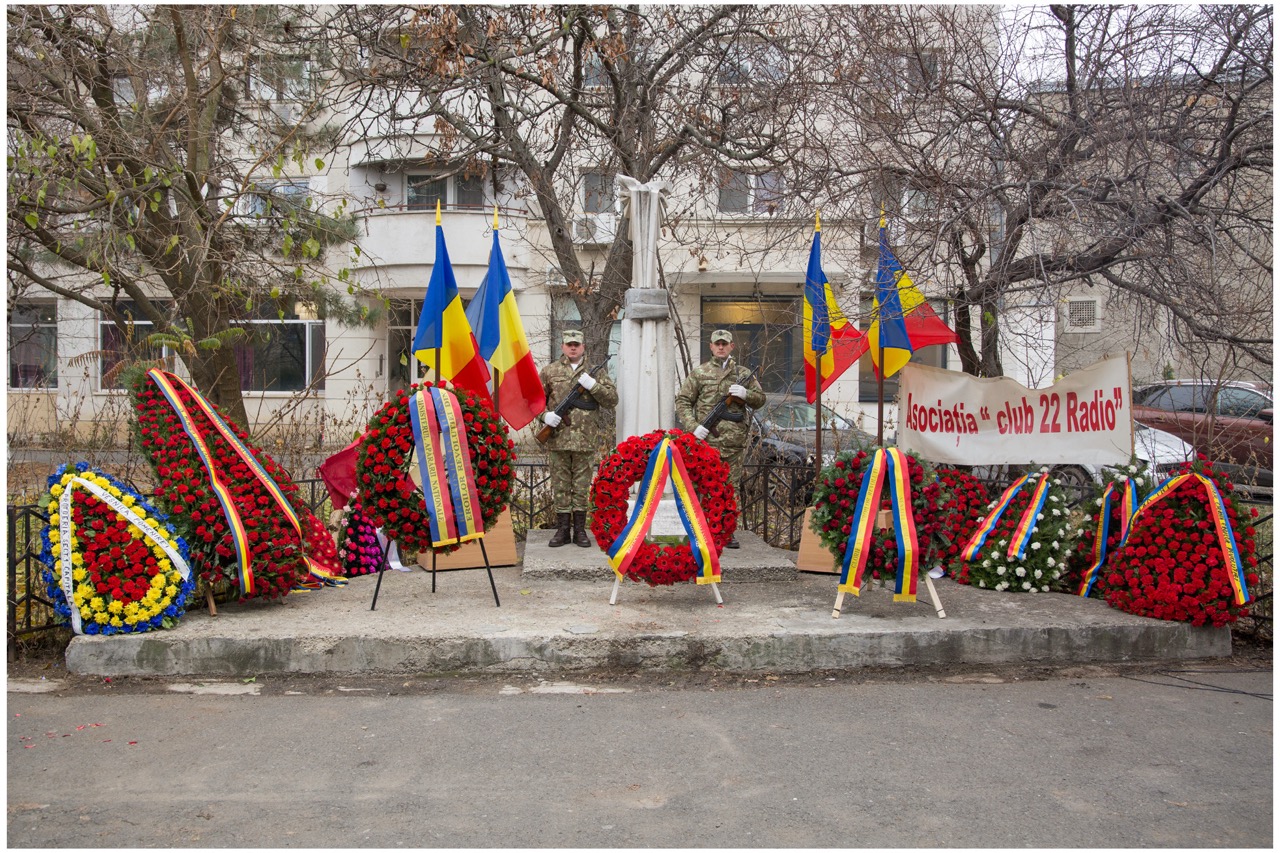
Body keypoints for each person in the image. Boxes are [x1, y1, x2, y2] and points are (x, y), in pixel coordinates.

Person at [674, 329, 765, 548]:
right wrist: (693, 427)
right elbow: (683, 401)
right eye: (717, 344)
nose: (721, 347)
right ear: (711, 347)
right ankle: (701, 530)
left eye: (725, 344)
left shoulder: (743, 374)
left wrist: (746, 394)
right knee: (704, 486)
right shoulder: (700, 373)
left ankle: (727, 532)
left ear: (732, 346)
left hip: (733, 443)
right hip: (706, 443)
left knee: (730, 489)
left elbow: (760, 399)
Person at [539, 330, 618, 548]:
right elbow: (536, 400)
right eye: (569, 344)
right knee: (561, 485)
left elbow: (612, 400)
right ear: (563, 346)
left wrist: (593, 385)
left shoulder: (596, 373)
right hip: (558, 438)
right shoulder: (550, 371)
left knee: (582, 487)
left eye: (577, 344)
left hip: (585, 439)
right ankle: (563, 531)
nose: (573, 348)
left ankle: (580, 531)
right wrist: (544, 415)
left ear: (583, 347)